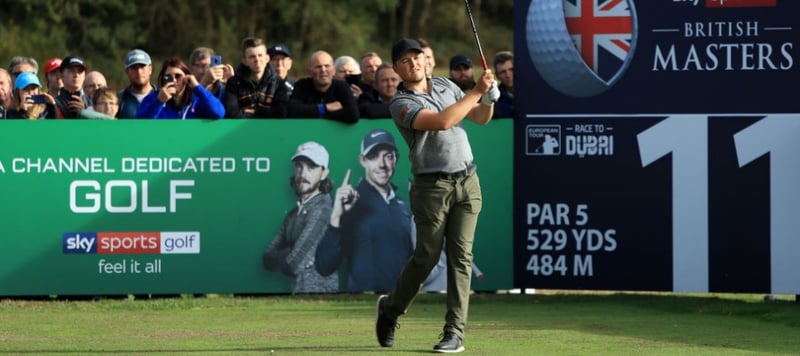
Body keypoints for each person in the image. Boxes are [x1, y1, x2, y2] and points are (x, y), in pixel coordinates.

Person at [375, 38, 499, 353]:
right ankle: (390, 309)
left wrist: (489, 98)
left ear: (425, 61)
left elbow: (480, 118)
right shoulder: (400, 102)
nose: (413, 63)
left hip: (468, 182)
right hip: (432, 188)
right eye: (405, 60)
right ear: (397, 68)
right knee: (426, 258)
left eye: (417, 57)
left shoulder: (444, 84)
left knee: (462, 257)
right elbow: (443, 122)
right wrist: (476, 92)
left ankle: (454, 333)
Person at [315, 129, 414, 292]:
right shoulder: (349, 202)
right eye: (374, 156)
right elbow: (324, 266)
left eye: (388, 156)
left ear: (396, 159)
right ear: (362, 161)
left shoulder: (402, 205)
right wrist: (337, 216)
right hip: (364, 307)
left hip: (403, 305)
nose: (382, 165)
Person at [263, 141, 338, 294]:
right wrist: (292, 250)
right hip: (299, 294)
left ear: (324, 173)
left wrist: (290, 254)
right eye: (299, 166)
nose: (303, 174)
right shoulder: (292, 215)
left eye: (311, 167)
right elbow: (267, 258)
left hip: (321, 297)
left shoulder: (323, 209)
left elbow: (294, 265)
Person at [135, 56, 225, 119]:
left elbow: (219, 113)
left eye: (178, 76)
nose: (174, 80)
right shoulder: (153, 98)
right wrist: (159, 102)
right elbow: (141, 124)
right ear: (162, 79)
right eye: (168, 77)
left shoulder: (197, 99)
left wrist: (198, 87)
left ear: (186, 77)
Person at [224, 37, 288, 118]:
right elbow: (231, 113)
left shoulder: (278, 83)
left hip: (271, 130)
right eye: (252, 56)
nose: (257, 60)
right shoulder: (234, 83)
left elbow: (281, 113)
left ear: (267, 58)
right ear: (245, 61)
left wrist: (255, 112)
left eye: (260, 55)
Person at [287, 50, 359, 123]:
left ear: (334, 70)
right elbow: (292, 110)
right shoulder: (302, 85)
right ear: (310, 72)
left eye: (327, 66)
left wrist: (320, 115)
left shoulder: (342, 87)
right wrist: (325, 108)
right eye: (318, 67)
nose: (323, 70)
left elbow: (353, 114)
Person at [117, 49, 156, 119]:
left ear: (150, 69)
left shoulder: (163, 98)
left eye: (142, 66)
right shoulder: (118, 99)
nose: (139, 71)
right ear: (127, 71)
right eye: (133, 68)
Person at [54, 55, 92, 119]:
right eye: (71, 71)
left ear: (85, 75)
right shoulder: (54, 104)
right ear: (61, 75)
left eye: (80, 71)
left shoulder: (93, 102)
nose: (76, 75)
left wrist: (85, 113)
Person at [493, 51, 514, 119]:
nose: (508, 75)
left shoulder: (532, 93)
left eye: (511, 70)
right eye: (503, 72)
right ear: (497, 76)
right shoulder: (494, 99)